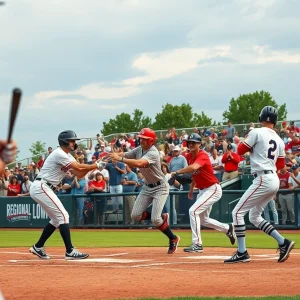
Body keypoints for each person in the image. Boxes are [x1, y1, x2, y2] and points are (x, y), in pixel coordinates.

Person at [224, 106, 295, 264]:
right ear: (275, 122)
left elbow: (241, 150)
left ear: (261, 117)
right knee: (254, 216)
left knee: (237, 213)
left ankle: (242, 252)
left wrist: (248, 137)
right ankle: (283, 242)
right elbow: (281, 164)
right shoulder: (279, 139)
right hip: (273, 177)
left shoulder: (256, 131)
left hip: (263, 177)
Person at [29, 130, 104, 260]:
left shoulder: (68, 156)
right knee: (63, 215)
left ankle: (38, 246)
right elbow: (80, 168)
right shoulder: (59, 153)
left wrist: (95, 167)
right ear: (64, 142)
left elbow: (79, 174)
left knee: (56, 219)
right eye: (72, 140)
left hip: (45, 187)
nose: (74, 143)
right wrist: (96, 164)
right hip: (42, 186)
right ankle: (70, 251)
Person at [107, 128, 180, 254]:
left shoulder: (153, 152)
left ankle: (173, 238)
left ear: (151, 140)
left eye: (144, 139)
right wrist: (113, 155)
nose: (141, 140)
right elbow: (125, 155)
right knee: (135, 216)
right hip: (147, 186)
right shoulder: (140, 148)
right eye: (141, 138)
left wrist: (120, 159)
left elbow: (139, 163)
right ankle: (162, 218)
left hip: (160, 187)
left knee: (155, 220)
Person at [170, 133, 236, 253]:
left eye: (193, 143)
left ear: (199, 144)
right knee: (203, 219)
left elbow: (194, 168)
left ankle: (197, 244)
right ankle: (228, 228)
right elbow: (196, 174)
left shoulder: (202, 155)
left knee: (193, 211)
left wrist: (177, 172)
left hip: (212, 188)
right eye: (189, 143)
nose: (190, 145)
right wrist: (191, 189)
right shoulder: (189, 156)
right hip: (203, 190)